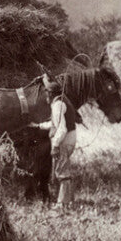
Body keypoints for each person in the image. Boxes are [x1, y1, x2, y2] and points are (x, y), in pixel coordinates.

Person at [33, 78, 79, 209]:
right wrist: (39, 125)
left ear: (51, 94)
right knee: (62, 170)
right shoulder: (61, 103)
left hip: (64, 141)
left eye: (47, 93)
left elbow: (62, 128)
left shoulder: (57, 105)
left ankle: (62, 204)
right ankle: (67, 201)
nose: (46, 96)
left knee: (61, 171)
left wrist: (55, 146)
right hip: (69, 139)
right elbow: (55, 124)